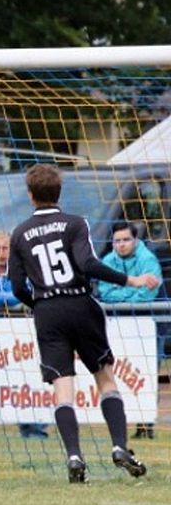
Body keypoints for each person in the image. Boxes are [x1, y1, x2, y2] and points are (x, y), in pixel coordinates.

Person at [8, 164, 159, 483]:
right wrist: (130, 280)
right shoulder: (75, 223)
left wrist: (38, 304)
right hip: (80, 303)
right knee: (105, 377)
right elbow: (88, 264)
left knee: (63, 388)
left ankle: (74, 455)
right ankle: (119, 446)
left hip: (47, 311)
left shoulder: (20, 233)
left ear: (30, 195)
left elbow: (17, 286)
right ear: (58, 192)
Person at [0, 232, 48, 439]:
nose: (2, 253)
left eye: (6, 248)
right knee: (2, 378)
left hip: (25, 329)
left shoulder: (23, 268)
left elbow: (25, 291)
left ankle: (36, 426)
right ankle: (13, 423)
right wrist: (5, 300)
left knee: (32, 376)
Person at [97, 221, 163, 439]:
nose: (122, 244)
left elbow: (148, 294)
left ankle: (146, 425)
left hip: (148, 323)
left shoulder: (148, 260)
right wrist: (134, 289)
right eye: (117, 241)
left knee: (147, 369)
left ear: (135, 240)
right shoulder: (107, 261)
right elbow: (105, 292)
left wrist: (123, 291)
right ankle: (121, 421)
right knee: (120, 369)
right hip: (118, 323)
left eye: (126, 240)